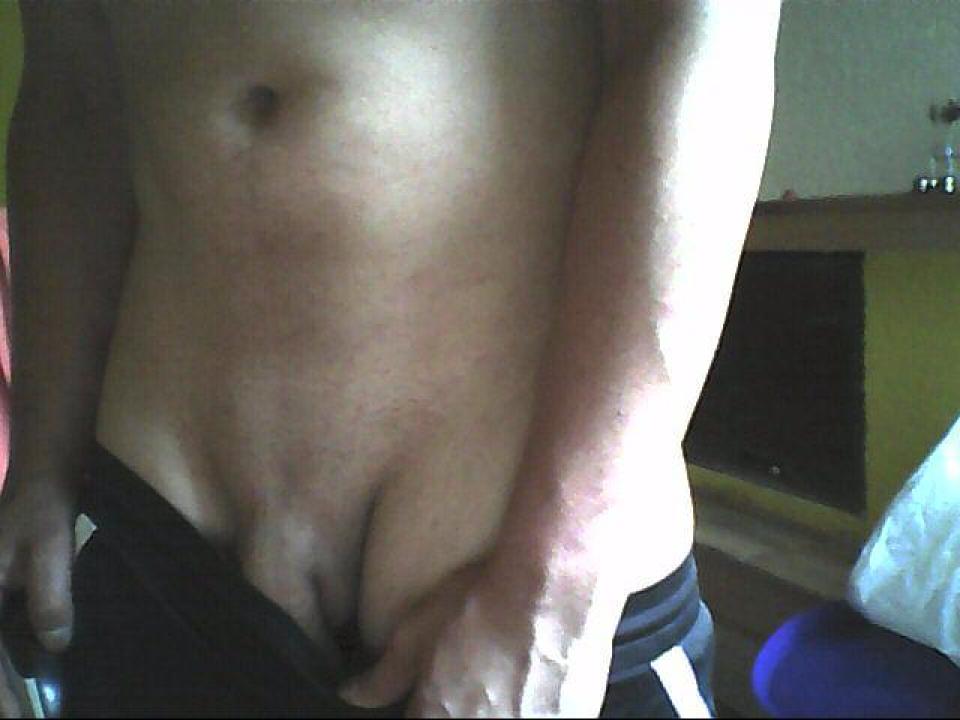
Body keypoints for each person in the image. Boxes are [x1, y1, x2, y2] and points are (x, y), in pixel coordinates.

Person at [0, 1, 780, 716]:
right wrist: (41, 466)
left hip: (510, 599)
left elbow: (702, 44)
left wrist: (558, 582)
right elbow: (72, 95)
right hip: (160, 555)